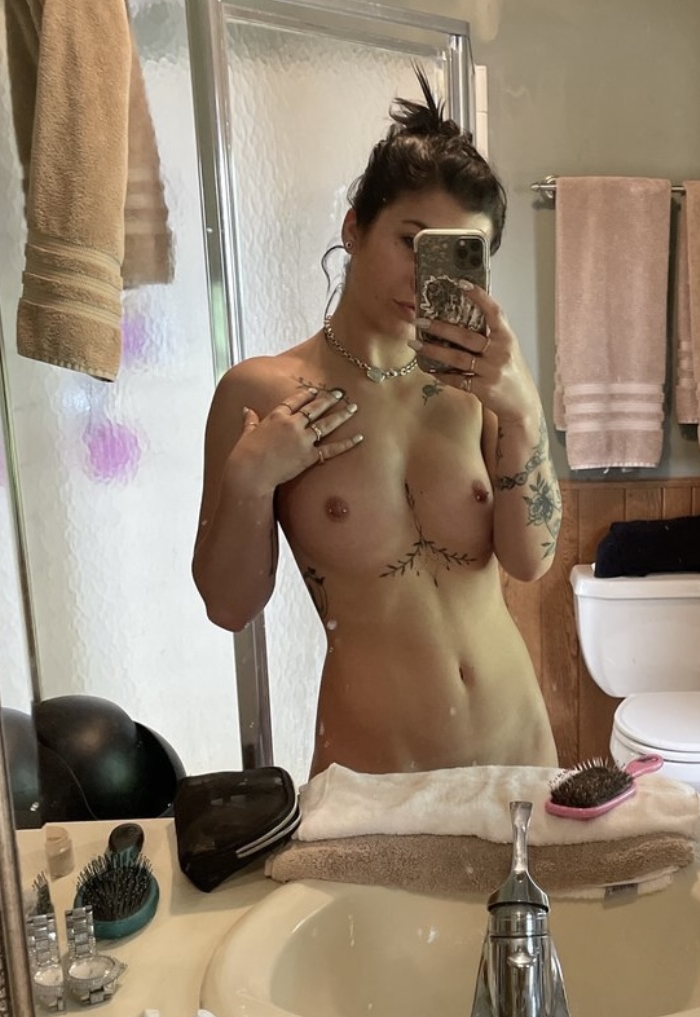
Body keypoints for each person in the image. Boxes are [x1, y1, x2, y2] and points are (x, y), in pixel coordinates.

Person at [192, 73, 560, 777]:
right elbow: (228, 606)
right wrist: (250, 479)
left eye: (457, 257)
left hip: (517, 757)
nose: (423, 280)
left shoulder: (482, 385)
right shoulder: (264, 391)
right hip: (374, 780)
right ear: (354, 227)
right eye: (410, 241)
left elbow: (530, 560)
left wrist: (523, 409)